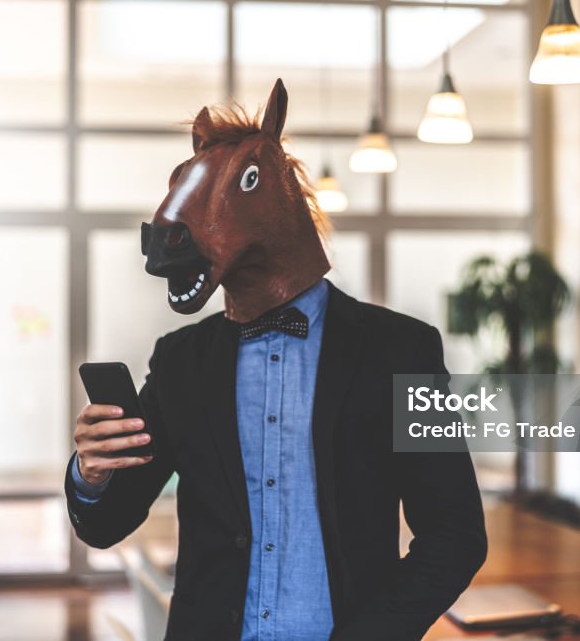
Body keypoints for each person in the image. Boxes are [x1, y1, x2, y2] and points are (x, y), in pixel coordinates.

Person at [65, 80, 486, 641]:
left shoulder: (402, 351)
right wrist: (92, 476)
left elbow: (455, 534)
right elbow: (108, 524)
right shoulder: (180, 363)